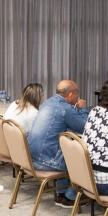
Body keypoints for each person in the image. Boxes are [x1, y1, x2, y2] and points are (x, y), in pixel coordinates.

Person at [28, 79, 89, 208]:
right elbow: (85, 128)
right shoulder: (65, 108)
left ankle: (60, 193)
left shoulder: (47, 103)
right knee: (81, 157)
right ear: (71, 94)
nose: (78, 96)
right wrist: (83, 108)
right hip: (46, 162)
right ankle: (70, 197)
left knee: (64, 149)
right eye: (77, 93)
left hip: (31, 158)